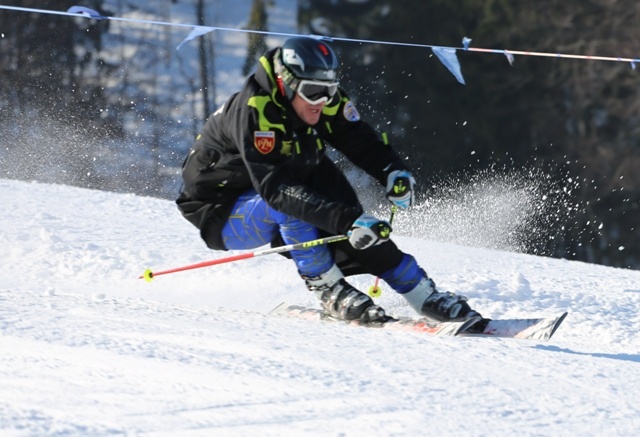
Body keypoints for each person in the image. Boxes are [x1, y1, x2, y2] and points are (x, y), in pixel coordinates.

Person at [176, 36, 480, 324]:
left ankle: (422, 294)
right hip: (220, 210)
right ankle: (327, 289)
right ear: (287, 84)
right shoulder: (256, 111)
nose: (321, 101)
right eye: (313, 92)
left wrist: (391, 170)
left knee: (345, 207)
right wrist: (345, 220)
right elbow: (276, 191)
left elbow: (355, 136)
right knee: (306, 207)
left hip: (276, 183)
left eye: (330, 90)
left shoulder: (319, 96)